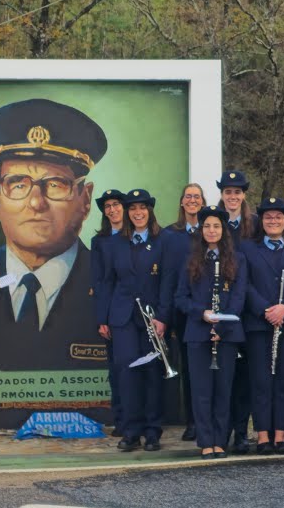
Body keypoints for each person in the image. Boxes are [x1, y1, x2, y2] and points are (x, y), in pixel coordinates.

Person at [0, 99, 107, 372]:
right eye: (18, 184)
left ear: (85, 200)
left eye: (55, 184)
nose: (36, 203)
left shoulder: (105, 273)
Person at [100, 189, 174, 452]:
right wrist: (104, 318)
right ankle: (131, 431)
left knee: (152, 374)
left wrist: (163, 316)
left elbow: (167, 281)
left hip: (153, 319)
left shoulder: (163, 240)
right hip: (122, 318)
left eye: (142, 208)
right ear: (127, 213)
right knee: (127, 373)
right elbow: (108, 282)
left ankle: (152, 432)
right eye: (133, 209)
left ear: (149, 211)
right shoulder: (116, 242)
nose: (138, 213)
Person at [240, 197, 284, 454]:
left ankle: (280, 436)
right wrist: (265, 310)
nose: (273, 221)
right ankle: (262, 437)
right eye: (268, 217)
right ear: (262, 221)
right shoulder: (248, 248)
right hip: (259, 325)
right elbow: (244, 285)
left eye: (278, 217)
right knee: (261, 382)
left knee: (283, 382)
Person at [174, 205, 247, 459]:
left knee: (223, 389)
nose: (212, 230)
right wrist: (202, 314)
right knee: (202, 390)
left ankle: (220, 440)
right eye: (207, 226)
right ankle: (206, 441)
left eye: (217, 226)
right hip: (197, 332)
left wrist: (222, 325)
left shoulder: (237, 260)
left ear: (223, 230)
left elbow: (238, 298)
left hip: (226, 334)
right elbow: (180, 298)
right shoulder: (191, 260)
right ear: (201, 230)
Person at [159, 183, 206, 441]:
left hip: (205, 311)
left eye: (196, 197)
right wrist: (164, 315)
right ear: (181, 202)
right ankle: (192, 421)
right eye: (188, 196)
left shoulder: (211, 230)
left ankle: (205, 421)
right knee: (188, 370)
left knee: (205, 370)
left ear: (202, 201)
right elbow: (166, 278)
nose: (192, 200)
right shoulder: (169, 235)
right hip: (180, 312)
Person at [215, 170, 255, 452]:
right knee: (222, 377)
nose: (232, 196)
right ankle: (221, 431)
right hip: (221, 311)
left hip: (251, 310)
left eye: (237, 192)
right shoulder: (213, 223)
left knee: (245, 377)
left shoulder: (255, 225)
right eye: (228, 192)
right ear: (222, 195)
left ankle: (241, 431)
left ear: (243, 195)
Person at [91, 189, 127, 435]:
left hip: (133, 313)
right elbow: (99, 282)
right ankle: (121, 419)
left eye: (116, 204)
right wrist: (102, 319)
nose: (112, 209)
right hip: (111, 314)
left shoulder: (135, 237)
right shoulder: (100, 241)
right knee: (116, 370)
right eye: (108, 206)